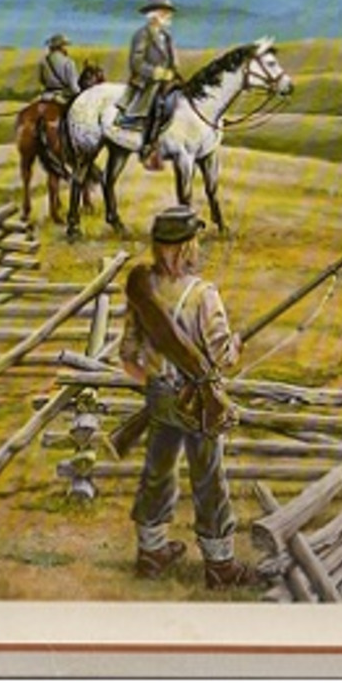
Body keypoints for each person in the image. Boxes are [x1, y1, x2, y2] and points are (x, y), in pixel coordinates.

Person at [118, 205, 260, 591]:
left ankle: (151, 552)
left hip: (160, 396)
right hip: (198, 401)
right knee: (208, 477)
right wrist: (236, 345)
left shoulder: (143, 289)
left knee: (158, 471)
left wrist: (158, 386)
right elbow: (221, 357)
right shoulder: (203, 294)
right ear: (187, 246)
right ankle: (220, 564)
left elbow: (128, 357)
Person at [117, 0, 180, 167]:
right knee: (156, 105)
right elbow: (136, 62)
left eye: (168, 12)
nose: (169, 15)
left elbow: (174, 61)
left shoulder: (167, 36)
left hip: (168, 81)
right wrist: (156, 73)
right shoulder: (142, 34)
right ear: (154, 15)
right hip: (147, 83)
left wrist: (173, 72)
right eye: (164, 12)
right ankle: (148, 147)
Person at [38, 33, 81, 101]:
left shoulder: (43, 62)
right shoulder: (68, 62)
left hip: (46, 96)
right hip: (64, 97)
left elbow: (42, 80)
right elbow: (74, 87)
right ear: (61, 46)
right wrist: (80, 92)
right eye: (65, 45)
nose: (67, 48)